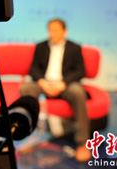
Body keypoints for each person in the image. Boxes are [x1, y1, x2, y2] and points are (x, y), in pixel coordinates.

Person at [19, 18, 92, 162]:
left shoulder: (74, 47)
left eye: (56, 30)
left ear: (65, 32)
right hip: (44, 83)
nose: (52, 33)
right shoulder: (41, 46)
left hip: (64, 85)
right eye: (50, 30)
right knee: (26, 89)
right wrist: (42, 82)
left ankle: (82, 142)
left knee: (78, 92)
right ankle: (31, 135)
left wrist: (63, 84)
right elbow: (34, 68)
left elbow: (80, 71)